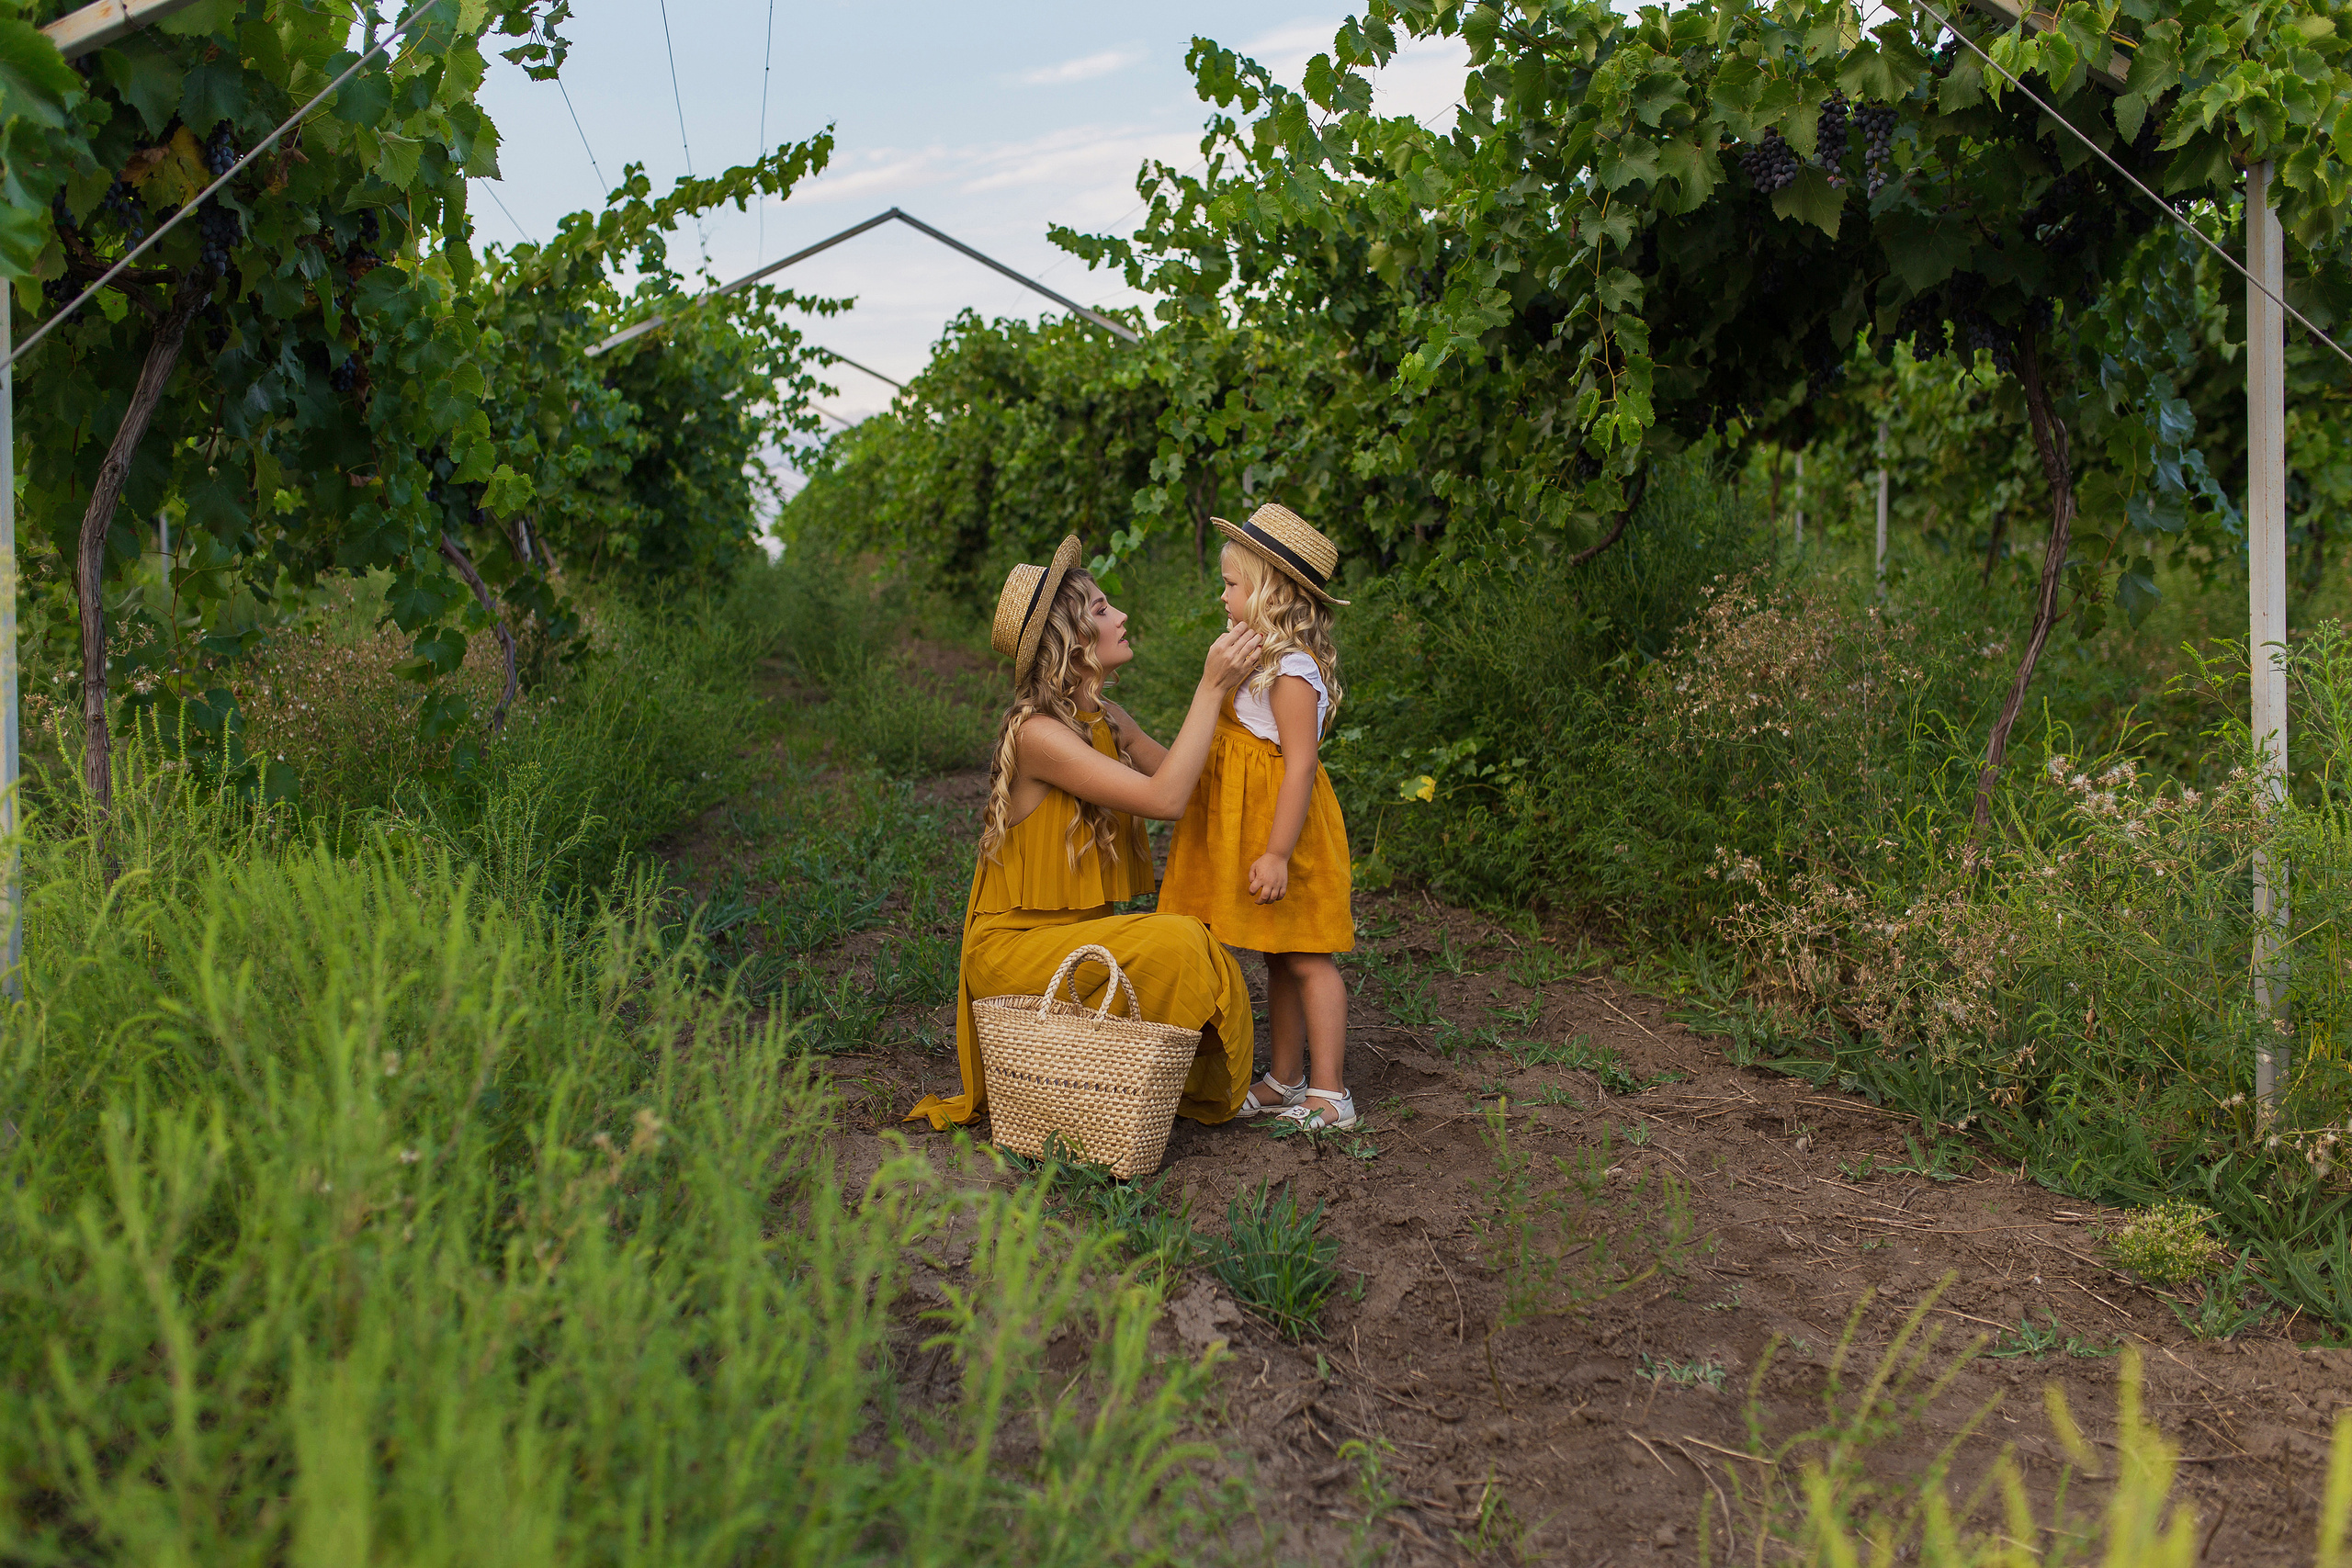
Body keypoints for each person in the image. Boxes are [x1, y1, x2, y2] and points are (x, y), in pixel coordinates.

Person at [906, 534, 1266, 1133]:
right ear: (1070, 641)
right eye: (1101, 610)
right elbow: (1166, 800)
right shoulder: (1039, 736)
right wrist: (1209, 686)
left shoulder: (1104, 719)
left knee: (1189, 935)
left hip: (1079, 946)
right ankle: (1168, 1084)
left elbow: (1191, 784)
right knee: (1177, 944)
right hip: (1015, 955)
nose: (1121, 615)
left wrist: (1249, 715)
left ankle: (1143, 1081)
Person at [1158, 502, 1358, 1131]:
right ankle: (1286, 1077)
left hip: (1290, 839)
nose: (1222, 594)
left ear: (1268, 591)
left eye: (1230, 583)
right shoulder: (1258, 660)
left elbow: (1299, 767)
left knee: (1310, 958)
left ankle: (1331, 1094)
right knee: (1279, 955)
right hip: (1263, 834)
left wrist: (1275, 852)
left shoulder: (1292, 671)